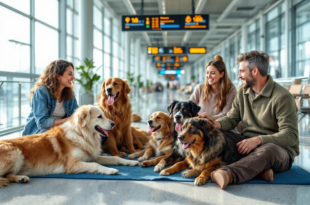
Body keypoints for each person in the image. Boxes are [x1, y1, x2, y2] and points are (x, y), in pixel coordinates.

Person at [207, 51, 299, 189]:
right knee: (216, 134)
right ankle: (259, 171)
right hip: (248, 144)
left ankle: (228, 174)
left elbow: (290, 135)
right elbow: (232, 118)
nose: (239, 76)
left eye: (241, 71)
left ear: (255, 71)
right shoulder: (243, 93)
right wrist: (215, 124)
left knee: (268, 151)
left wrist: (258, 140)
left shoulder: (282, 97)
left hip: (278, 150)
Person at [22, 59, 78, 136]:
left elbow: (76, 115)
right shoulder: (41, 92)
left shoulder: (70, 94)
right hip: (40, 131)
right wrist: (68, 120)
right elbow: (42, 123)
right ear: (58, 76)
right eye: (70, 74)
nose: (73, 77)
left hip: (61, 128)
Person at [189, 55, 237, 120]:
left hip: (220, 127)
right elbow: (188, 106)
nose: (209, 76)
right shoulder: (200, 88)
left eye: (213, 73)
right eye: (207, 73)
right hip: (201, 125)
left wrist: (211, 117)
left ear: (222, 74)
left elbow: (226, 115)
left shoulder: (231, 90)